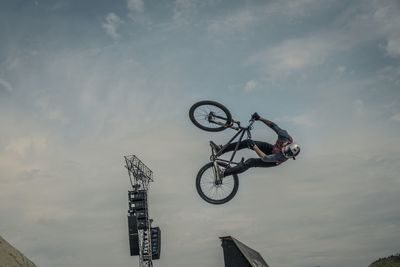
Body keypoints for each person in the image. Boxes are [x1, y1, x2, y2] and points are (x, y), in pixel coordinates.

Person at [210, 112, 300, 177]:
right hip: (272, 149)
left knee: (251, 162)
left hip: (271, 160)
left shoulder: (281, 157)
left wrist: (254, 147)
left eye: (286, 155)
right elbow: (272, 125)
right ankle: (221, 150)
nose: (283, 153)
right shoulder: (284, 136)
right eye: (284, 151)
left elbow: (265, 158)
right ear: (287, 144)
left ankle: (224, 173)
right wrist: (260, 118)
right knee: (247, 142)